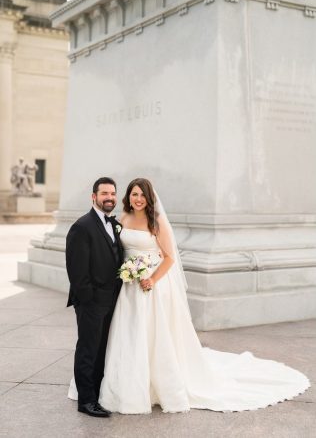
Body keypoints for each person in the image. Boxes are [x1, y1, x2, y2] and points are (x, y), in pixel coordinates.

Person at [69, 178, 310, 413]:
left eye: (142, 194)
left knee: (150, 336)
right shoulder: (121, 219)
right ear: (127, 197)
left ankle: (152, 385)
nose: (138, 199)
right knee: (124, 336)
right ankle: (113, 384)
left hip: (149, 287)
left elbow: (170, 257)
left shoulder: (157, 221)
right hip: (126, 289)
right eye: (134, 194)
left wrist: (151, 278)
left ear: (149, 197)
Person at [66, 177, 124, 417]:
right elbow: (76, 271)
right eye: (104, 194)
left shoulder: (114, 224)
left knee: (101, 350)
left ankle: (96, 395)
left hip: (111, 300)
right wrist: (89, 298)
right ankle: (86, 401)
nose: (109, 197)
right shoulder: (82, 226)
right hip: (91, 302)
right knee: (88, 350)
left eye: (112, 193)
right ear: (94, 197)